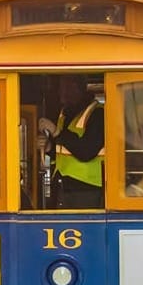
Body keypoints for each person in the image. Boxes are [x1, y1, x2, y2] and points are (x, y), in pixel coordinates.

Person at [38, 75, 105, 208]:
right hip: (62, 187)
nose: (61, 93)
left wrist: (56, 132)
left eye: (65, 88)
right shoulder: (65, 114)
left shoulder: (98, 114)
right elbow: (63, 152)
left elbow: (86, 151)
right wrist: (49, 148)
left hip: (87, 191)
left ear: (77, 88)